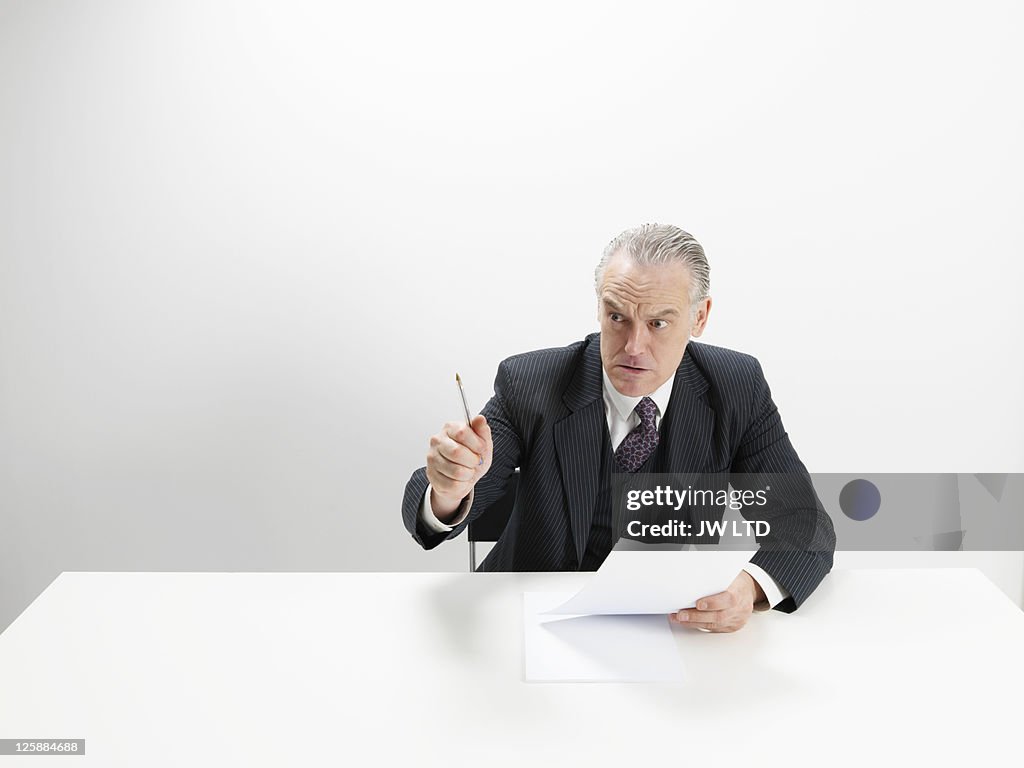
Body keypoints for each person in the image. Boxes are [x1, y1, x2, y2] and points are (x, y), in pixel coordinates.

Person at [402, 224, 835, 632]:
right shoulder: (531, 383)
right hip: (530, 617)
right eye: (616, 317)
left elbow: (803, 521)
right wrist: (449, 490)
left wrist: (751, 588)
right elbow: (445, 499)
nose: (633, 347)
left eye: (658, 323)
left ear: (699, 317)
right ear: (599, 308)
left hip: (661, 624)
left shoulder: (736, 388)